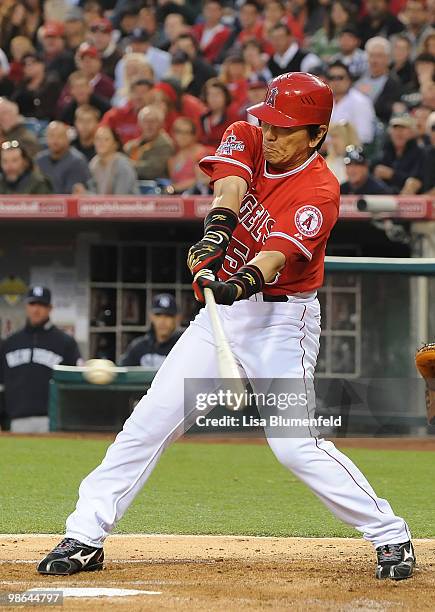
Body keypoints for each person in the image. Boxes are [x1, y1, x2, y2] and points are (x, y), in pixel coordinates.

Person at [38, 72, 415, 583]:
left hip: (283, 322)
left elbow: (276, 257)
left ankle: (390, 534)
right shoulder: (251, 132)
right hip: (222, 318)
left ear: (318, 135)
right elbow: (232, 183)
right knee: (149, 421)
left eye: (288, 129)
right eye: (272, 122)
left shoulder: (321, 189)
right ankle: (85, 535)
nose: (273, 135)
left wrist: (236, 282)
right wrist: (217, 231)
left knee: (293, 445)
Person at [0, 286, 82, 434]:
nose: (36, 310)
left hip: (53, 420)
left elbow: (75, 384)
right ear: (26, 307)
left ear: (50, 308)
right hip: (17, 419)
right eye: (32, 304)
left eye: (42, 305)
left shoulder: (65, 342)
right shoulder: (10, 343)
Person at [121, 294, 183, 368]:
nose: (162, 321)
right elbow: (121, 373)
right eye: (158, 315)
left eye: (168, 316)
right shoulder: (139, 347)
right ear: (151, 317)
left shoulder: (183, 347)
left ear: (177, 318)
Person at [74, 125, 138, 195]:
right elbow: (94, 193)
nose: (101, 142)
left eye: (106, 139)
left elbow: (120, 199)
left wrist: (87, 195)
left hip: (126, 205)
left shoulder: (123, 165)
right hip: (103, 205)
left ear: (115, 144)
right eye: (98, 139)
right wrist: (84, 193)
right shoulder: (94, 163)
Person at [355, 37, 403, 124]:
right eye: (371, 55)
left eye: (379, 56)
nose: (374, 60)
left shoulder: (393, 83)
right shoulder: (358, 79)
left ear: (388, 58)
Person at [373, 113, 424, 193]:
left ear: (412, 132)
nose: (398, 133)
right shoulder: (386, 151)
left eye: (403, 128)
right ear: (390, 132)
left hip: (410, 200)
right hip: (384, 196)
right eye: (395, 128)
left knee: (411, 183)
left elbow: (417, 181)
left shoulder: (420, 153)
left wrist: (392, 175)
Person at [328, 61, 376, 145]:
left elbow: (365, 136)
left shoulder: (361, 101)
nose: (336, 82)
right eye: (332, 78)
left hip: (350, 153)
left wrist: (335, 145)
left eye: (340, 77)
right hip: (325, 152)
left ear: (349, 80)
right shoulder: (325, 101)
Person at [35, 121, 90, 194]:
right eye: (51, 136)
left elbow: (72, 194)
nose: (55, 140)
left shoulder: (77, 161)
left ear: (67, 138)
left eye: (59, 136)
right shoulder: (40, 160)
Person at [124, 105, 175, 180]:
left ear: (161, 124)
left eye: (153, 121)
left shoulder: (166, 145)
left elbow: (152, 170)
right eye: (145, 121)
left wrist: (127, 164)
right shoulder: (132, 145)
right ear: (139, 124)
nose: (149, 125)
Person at [100, 78, 154, 145]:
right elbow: (101, 134)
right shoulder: (116, 114)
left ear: (152, 94)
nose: (139, 96)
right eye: (135, 92)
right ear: (130, 94)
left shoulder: (158, 116)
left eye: (143, 92)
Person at [12, 52, 62, 121]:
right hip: (23, 121)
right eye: (25, 64)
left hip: (46, 121)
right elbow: (13, 104)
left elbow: (48, 109)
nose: (28, 67)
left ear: (42, 65)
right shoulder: (22, 86)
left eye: (32, 63)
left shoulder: (52, 83)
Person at [168, 117, 213, 193]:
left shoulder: (201, 153)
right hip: (178, 198)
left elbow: (205, 179)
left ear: (193, 135)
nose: (183, 136)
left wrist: (177, 187)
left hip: (198, 195)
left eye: (187, 132)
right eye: (179, 132)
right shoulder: (172, 160)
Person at [401, 111, 435, 194]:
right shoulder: (426, 154)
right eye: (434, 128)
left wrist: (423, 201)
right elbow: (416, 180)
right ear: (428, 131)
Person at [200, 79, 240, 148]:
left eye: (217, 94)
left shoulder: (233, 119)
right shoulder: (203, 118)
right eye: (210, 94)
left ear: (225, 96)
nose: (213, 98)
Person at [191, 0, 232, 65]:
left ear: (220, 12)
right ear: (203, 11)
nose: (211, 13)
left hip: (213, 65)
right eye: (208, 9)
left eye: (214, 10)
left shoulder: (225, 32)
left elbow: (218, 54)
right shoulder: (196, 29)